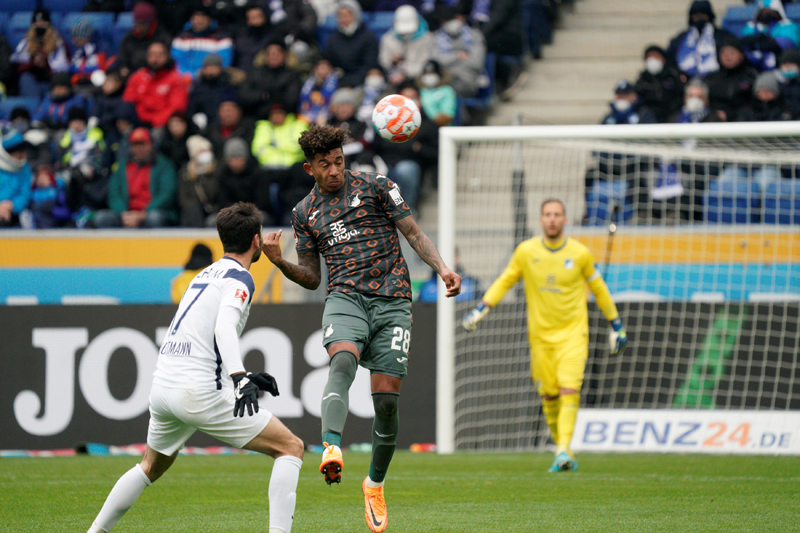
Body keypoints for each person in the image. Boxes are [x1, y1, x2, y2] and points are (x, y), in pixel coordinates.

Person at [261, 124, 461, 533]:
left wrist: (441, 268)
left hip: (393, 299)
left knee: (386, 402)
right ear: (309, 169)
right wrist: (279, 262)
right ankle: (331, 445)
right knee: (342, 361)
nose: (334, 170)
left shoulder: (377, 187)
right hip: (345, 298)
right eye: (324, 165)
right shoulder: (305, 213)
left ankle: (374, 484)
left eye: (338, 161)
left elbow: (414, 234)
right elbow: (313, 277)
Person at [86, 202, 303, 533]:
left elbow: (204, 334)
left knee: (149, 467)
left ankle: (94, 531)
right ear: (257, 241)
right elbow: (223, 328)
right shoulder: (240, 277)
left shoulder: (205, 273)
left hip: (164, 386)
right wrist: (239, 377)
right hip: (198, 391)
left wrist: (241, 375)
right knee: (290, 447)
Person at [462, 198, 627, 473]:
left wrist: (617, 325)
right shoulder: (526, 251)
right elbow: (504, 281)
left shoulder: (580, 253)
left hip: (574, 334)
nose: (552, 219)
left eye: (557, 214)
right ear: (541, 220)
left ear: (564, 220)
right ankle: (562, 448)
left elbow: (600, 290)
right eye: (548, 214)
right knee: (549, 396)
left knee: (569, 388)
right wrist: (481, 309)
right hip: (540, 338)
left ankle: (563, 449)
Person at [95, 127, 178, 228]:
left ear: (151, 145)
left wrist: (143, 214)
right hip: (126, 214)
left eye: (143, 144)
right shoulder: (122, 166)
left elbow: (167, 194)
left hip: (151, 212)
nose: (139, 149)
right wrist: (124, 213)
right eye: (135, 145)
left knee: (154, 218)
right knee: (101, 217)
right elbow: (113, 192)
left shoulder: (164, 165)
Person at [123, 41, 189, 130]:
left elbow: (176, 107)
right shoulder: (137, 77)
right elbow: (128, 100)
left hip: (162, 124)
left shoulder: (176, 79)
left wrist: (156, 121)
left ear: (167, 57)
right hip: (138, 121)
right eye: (152, 55)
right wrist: (140, 120)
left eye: (160, 55)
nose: (155, 59)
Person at [11, 8, 70, 99]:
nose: (40, 25)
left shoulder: (58, 42)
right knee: (25, 78)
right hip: (31, 84)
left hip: (50, 82)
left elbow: (65, 68)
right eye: (37, 23)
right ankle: (35, 106)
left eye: (43, 22)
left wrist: (45, 62)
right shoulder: (25, 43)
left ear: (49, 24)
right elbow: (17, 68)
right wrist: (33, 62)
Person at [667, 0, 736, 78]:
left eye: (703, 14)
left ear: (709, 15)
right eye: (695, 14)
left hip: (718, 79)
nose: (699, 17)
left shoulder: (723, 36)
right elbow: (670, 58)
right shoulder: (681, 38)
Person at [323, 0, 380, 88]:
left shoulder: (368, 37)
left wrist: (351, 83)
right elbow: (329, 61)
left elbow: (369, 65)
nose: (343, 19)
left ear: (355, 15)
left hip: (362, 82)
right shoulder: (333, 38)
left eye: (346, 15)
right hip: (339, 82)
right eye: (340, 15)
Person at [171, 5, 234, 80]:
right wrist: (188, 76)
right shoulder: (181, 38)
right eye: (197, 17)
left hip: (210, 80)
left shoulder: (222, 38)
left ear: (209, 19)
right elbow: (175, 61)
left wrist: (203, 74)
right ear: (191, 19)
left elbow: (224, 62)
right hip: (183, 80)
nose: (200, 20)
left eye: (203, 17)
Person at [379, 5, 434, 87]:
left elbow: (425, 62)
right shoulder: (387, 39)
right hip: (393, 81)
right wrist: (392, 62)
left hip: (419, 80)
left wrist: (405, 73)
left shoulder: (427, 38)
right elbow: (383, 62)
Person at [705, 36, 757, 122]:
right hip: (715, 121)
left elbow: (754, 104)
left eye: (732, 53)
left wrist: (729, 114)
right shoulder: (710, 78)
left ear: (741, 55)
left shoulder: (751, 77)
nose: (727, 57)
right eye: (723, 53)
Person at [634, 45, 686, 123]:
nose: (653, 60)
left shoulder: (673, 75)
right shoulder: (643, 79)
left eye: (656, 57)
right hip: (650, 117)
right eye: (649, 58)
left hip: (672, 113)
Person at [0, 131, 33, 228]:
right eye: (19, 153)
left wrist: (11, 205)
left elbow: (25, 194)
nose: (23, 155)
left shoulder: (25, 169)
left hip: (13, 214)